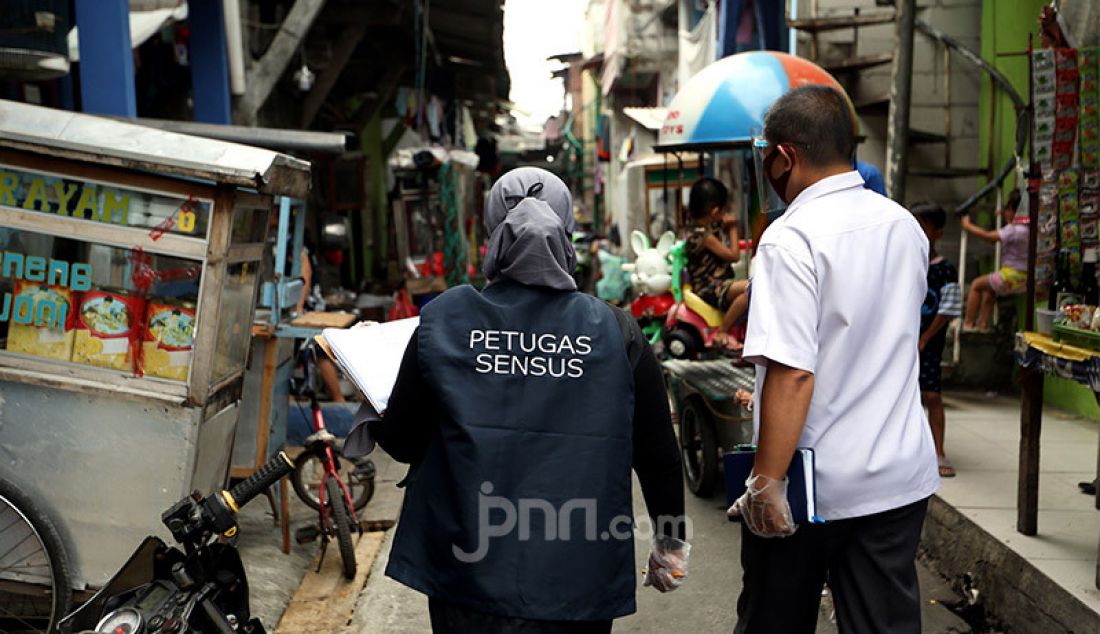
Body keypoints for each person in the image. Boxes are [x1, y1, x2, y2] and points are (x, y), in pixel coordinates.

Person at [363, 167, 688, 632]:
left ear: (493, 235)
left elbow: (402, 441)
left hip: (467, 576)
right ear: (568, 232)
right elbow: (658, 456)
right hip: (578, 581)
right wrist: (671, 541)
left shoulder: (443, 320)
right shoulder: (618, 333)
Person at [728, 85, 940, 634]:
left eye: (768, 155)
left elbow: (793, 371)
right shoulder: (904, 227)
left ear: (786, 155)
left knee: (775, 620)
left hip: (811, 484)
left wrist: (766, 482)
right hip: (897, 474)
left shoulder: (789, 238)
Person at [913, 202, 963, 478]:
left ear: (938, 233)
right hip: (904, 343)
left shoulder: (945, 269)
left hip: (929, 344)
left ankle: (938, 451)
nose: (917, 230)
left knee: (932, 395)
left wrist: (925, 337)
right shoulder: (906, 263)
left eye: (923, 225)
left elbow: (948, 309)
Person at [683, 177, 747, 349]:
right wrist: (733, 227)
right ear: (714, 211)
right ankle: (722, 332)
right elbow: (734, 256)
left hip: (718, 284)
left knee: (749, 291)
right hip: (710, 288)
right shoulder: (704, 236)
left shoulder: (696, 228)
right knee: (752, 287)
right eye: (723, 210)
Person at [960, 189, 1027, 332]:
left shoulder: (1013, 230)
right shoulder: (1028, 229)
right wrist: (1004, 214)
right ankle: (982, 323)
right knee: (989, 289)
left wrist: (968, 226)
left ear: (1014, 211)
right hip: (1024, 278)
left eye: (1007, 209)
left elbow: (989, 236)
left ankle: (968, 323)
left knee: (976, 285)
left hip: (1010, 275)